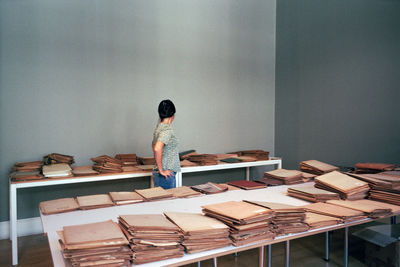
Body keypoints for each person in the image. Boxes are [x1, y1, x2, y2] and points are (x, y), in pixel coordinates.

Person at [151, 100, 180, 189]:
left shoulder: (159, 127)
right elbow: (157, 148)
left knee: (160, 202)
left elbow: (153, 145)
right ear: (173, 115)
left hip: (160, 174)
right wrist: (161, 170)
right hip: (166, 175)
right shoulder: (167, 129)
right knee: (168, 202)